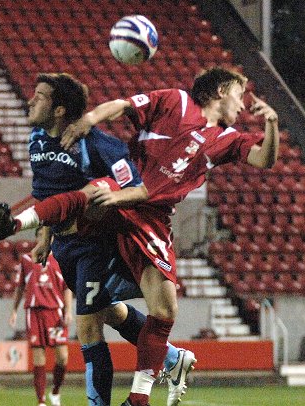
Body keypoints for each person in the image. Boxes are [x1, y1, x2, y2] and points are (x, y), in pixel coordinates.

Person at [55, 67, 280, 406]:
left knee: (161, 310)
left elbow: (264, 159)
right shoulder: (176, 101)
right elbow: (123, 105)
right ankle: (31, 224)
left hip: (152, 218)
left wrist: (273, 124)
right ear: (220, 91)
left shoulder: (227, 138)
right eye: (239, 93)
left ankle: (139, 397)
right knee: (82, 226)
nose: (242, 104)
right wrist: (89, 119)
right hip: (121, 196)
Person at [0, 73, 195, 406]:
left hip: (97, 245)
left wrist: (105, 197)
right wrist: (44, 238)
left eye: (39, 96)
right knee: (108, 312)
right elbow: (45, 193)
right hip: (64, 245)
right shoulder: (36, 140)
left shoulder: (100, 145)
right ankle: (171, 357)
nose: (30, 101)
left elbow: (135, 188)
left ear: (59, 110)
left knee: (87, 330)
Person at [9, 226, 73, 406]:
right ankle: (41, 401)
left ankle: (55, 391)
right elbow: (20, 287)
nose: (44, 238)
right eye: (40, 235)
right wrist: (14, 310)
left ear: (52, 239)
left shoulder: (60, 260)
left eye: (47, 236)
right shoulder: (27, 260)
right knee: (39, 359)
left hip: (56, 312)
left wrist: (68, 311)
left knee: (62, 358)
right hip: (34, 312)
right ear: (37, 237)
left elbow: (67, 288)